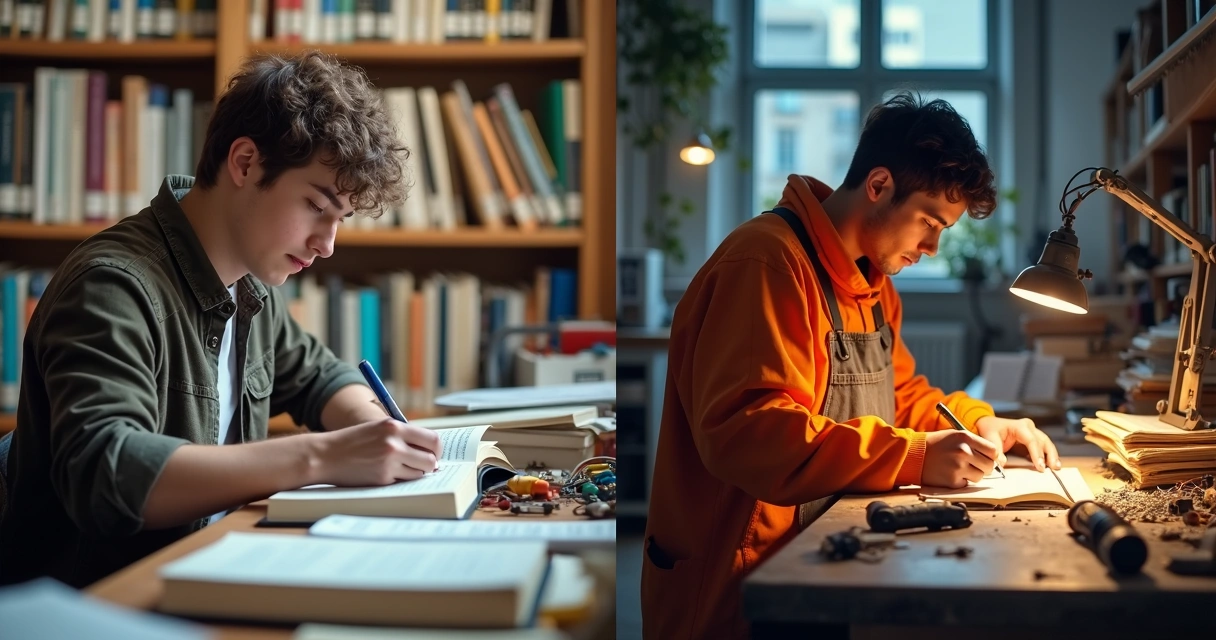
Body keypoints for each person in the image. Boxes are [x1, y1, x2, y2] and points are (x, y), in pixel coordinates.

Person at [0, 51, 442, 588]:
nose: (326, 245)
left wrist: (372, 426)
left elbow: (318, 377)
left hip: (201, 573)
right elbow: (107, 471)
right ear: (245, 162)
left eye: (340, 220)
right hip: (101, 603)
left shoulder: (251, 280)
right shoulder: (112, 286)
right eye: (315, 206)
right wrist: (322, 456)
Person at [640, 92, 1063, 639]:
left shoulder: (873, 283)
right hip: (741, 582)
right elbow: (751, 432)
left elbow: (902, 394)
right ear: (879, 185)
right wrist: (914, 457)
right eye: (929, 221)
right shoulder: (765, 264)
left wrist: (980, 421)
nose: (932, 247)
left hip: (821, 555)